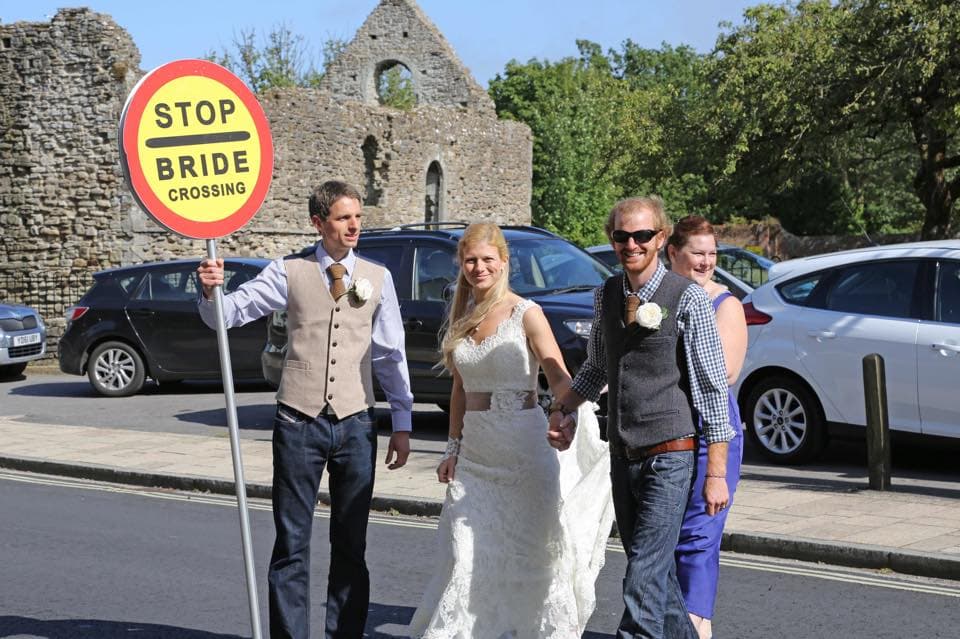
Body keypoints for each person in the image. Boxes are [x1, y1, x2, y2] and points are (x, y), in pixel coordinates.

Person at [196, 180, 414, 639]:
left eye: (357, 217)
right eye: (343, 218)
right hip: (298, 422)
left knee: (351, 544)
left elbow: (390, 354)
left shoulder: (377, 278)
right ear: (319, 223)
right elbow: (228, 315)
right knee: (292, 543)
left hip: (356, 423)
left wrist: (402, 421)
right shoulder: (287, 271)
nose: (354, 225)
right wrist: (211, 291)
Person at [408, 222, 614, 638]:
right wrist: (452, 448)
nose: (478, 268)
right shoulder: (462, 316)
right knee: (467, 557)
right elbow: (460, 388)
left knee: (528, 559)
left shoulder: (527, 313)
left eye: (487, 260)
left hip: (523, 453)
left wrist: (566, 407)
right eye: (470, 260)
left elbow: (556, 371)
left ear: (504, 262)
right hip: (477, 460)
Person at [547, 196, 735, 639]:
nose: (631, 244)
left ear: (661, 238)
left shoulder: (687, 299)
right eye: (622, 236)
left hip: (671, 453)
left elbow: (712, 389)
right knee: (654, 577)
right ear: (612, 240)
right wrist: (561, 407)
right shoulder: (606, 294)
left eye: (642, 236)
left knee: (641, 581)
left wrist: (717, 473)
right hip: (623, 453)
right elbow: (596, 368)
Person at [667, 216, 747, 639]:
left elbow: (726, 374)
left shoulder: (725, 304)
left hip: (711, 433)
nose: (706, 261)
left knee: (698, 536)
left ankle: (695, 626)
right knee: (664, 537)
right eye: (697, 253)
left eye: (712, 253)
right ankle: (681, 624)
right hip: (665, 430)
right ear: (673, 253)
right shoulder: (658, 300)